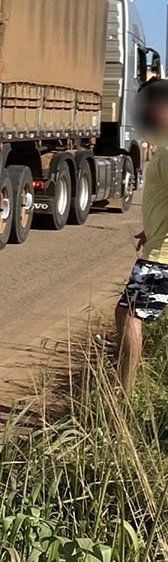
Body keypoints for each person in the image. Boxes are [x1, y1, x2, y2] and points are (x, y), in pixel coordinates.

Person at [115, 80, 168, 388]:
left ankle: (125, 389)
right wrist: (152, 229)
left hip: (162, 256)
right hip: (158, 246)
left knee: (130, 314)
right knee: (129, 311)